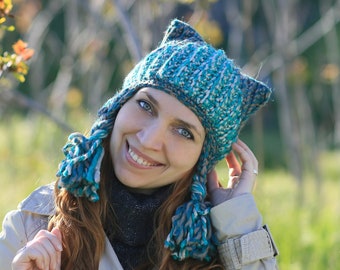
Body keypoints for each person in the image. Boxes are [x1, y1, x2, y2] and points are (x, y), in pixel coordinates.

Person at [0, 19, 278, 269]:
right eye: (145, 105)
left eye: (183, 131)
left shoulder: (219, 247)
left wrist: (238, 224)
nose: (149, 140)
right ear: (117, 107)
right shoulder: (33, 227)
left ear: (203, 159)